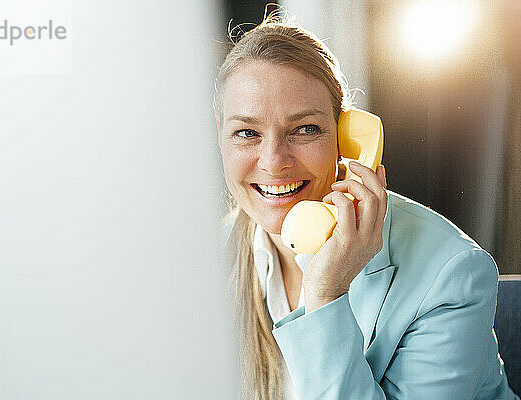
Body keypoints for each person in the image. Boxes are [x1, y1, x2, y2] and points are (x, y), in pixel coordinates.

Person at [214, 11, 519, 400]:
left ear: (347, 137)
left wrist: (326, 294)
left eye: (304, 129)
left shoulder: (450, 273)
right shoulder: (207, 259)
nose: (274, 161)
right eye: (246, 133)